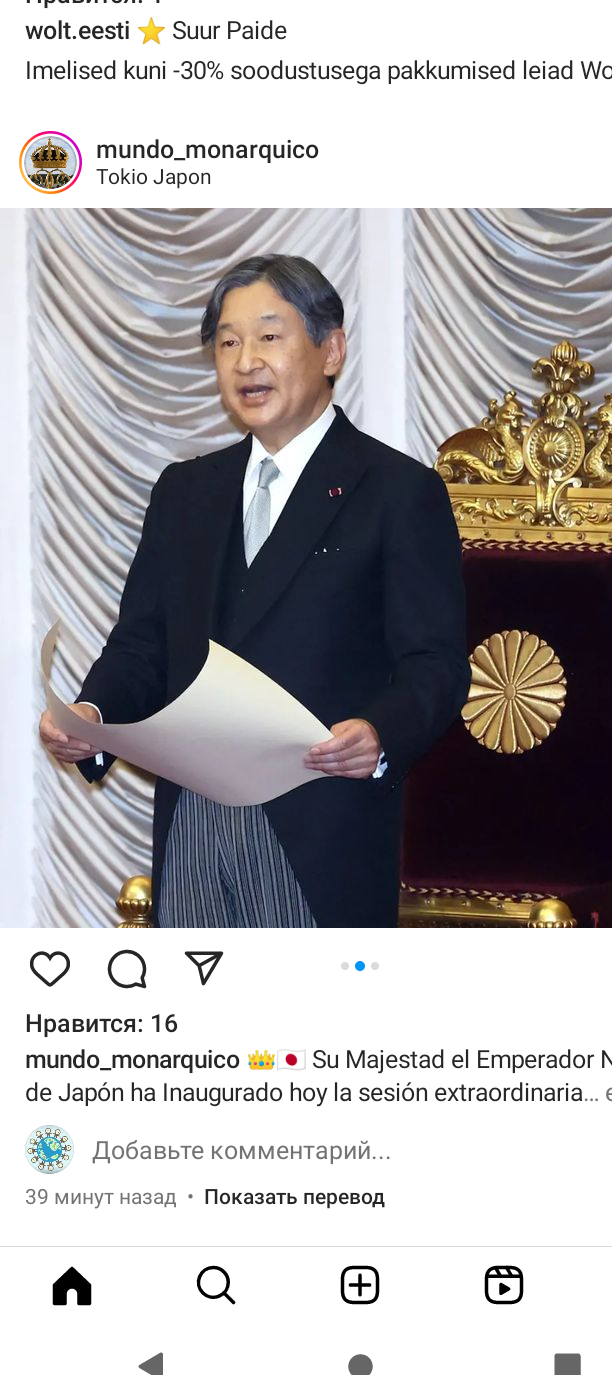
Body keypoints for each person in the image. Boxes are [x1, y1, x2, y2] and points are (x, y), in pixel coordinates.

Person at [39, 254, 468, 928]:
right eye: (228, 342)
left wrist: (379, 732)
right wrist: (92, 715)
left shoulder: (397, 491)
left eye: (269, 336)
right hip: (192, 821)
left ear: (331, 350)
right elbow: (143, 644)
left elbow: (435, 663)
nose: (246, 362)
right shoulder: (185, 492)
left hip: (320, 822)